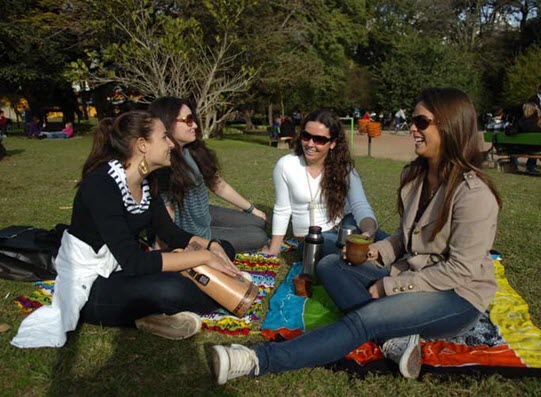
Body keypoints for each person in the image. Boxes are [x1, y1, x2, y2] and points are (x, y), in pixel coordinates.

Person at [211, 87, 502, 383]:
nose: (412, 128)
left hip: (456, 295)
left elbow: (461, 270)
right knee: (329, 265)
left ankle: (256, 359)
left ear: (451, 125)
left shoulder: (474, 193)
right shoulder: (416, 176)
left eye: (421, 122)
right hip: (416, 272)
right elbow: (405, 237)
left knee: (365, 320)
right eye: (413, 120)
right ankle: (393, 341)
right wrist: (378, 251)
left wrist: (389, 286)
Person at [11, 111, 243, 348]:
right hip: (93, 283)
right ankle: (160, 309)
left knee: (225, 248)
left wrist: (213, 247)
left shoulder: (145, 182)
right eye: (164, 137)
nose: (171, 144)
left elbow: (171, 233)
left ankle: (156, 313)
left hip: (123, 270)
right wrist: (202, 257)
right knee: (173, 288)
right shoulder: (101, 185)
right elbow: (135, 262)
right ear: (142, 145)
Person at [149, 97, 268, 254]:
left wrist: (252, 209)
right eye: (189, 120)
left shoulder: (192, 150)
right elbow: (165, 214)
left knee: (258, 221)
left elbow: (217, 184)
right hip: (193, 234)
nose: (196, 126)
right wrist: (162, 251)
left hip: (205, 214)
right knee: (258, 236)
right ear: (168, 122)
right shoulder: (164, 161)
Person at [261, 108, 385, 257]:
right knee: (345, 251)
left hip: (346, 225)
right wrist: (274, 248)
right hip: (313, 238)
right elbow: (282, 210)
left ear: (332, 143)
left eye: (319, 140)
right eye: (306, 136)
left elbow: (360, 206)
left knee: (386, 243)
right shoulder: (286, 165)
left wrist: (369, 232)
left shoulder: (344, 169)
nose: (310, 144)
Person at [507, 102, 541, 174]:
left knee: (512, 147)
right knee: (534, 144)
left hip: (524, 148)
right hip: (539, 149)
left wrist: (508, 128)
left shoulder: (521, 121)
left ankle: (514, 164)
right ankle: (531, 166)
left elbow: (511, 132)